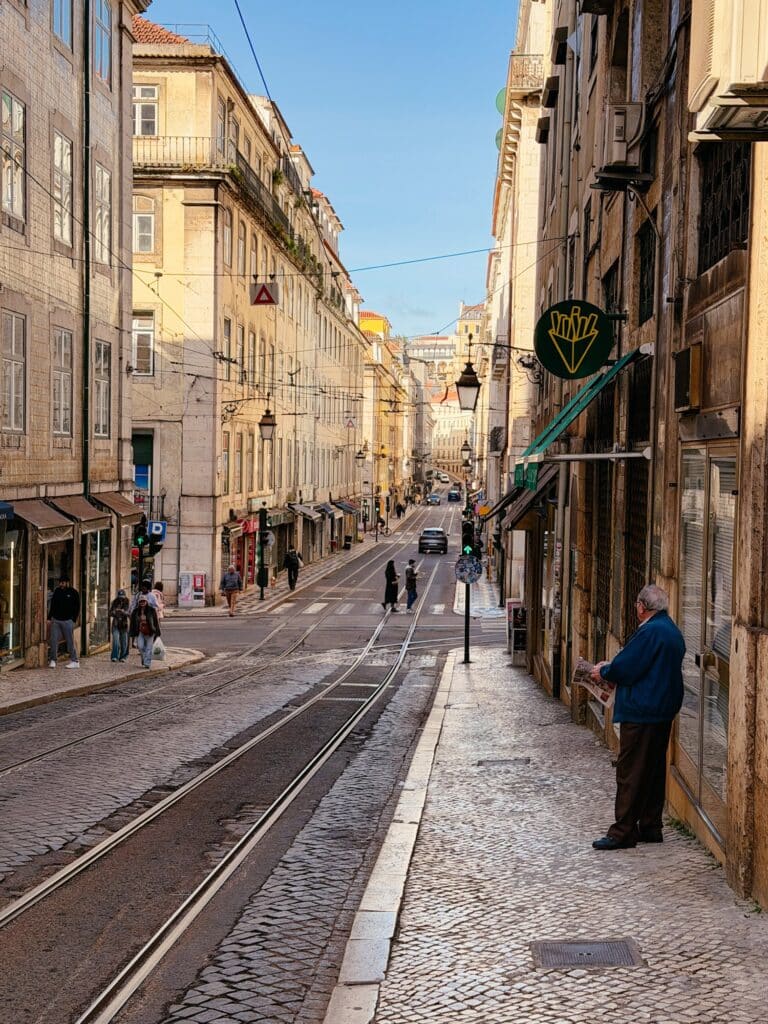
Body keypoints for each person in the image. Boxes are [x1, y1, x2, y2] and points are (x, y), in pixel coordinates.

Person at [590, 584, 685, 851]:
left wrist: (604, 671)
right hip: (662, 710)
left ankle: (623, 832)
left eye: (636, 605)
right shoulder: (671, 630)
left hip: (643, 710)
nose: (636, 609)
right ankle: (651, 825)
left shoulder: (651, 632)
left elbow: (627, 667)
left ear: (642, 607)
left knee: (630, 771)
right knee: (653, 770)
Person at [47, 573, 80, 669]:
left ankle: (75, 661)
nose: (61, 584)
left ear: (67, 583)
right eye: (60, 582)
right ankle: (53, 660)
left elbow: (77, 606)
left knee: (69, 641)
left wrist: (73, 619)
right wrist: (49, 618)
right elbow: (52, 606)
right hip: (56, 620)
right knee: (53, 640)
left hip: (67, 621)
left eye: (63, 583)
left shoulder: (73, 592)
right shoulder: (57, 591)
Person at [130, 594, 161, 669]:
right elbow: (132, 623)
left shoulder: (151, 610)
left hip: (150, 631)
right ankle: (144, 658)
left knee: (149, 648)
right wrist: (132, 632)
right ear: (139, 602)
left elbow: (156, 621)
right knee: (140, 646)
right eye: (141, 601)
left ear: (146, 602)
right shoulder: (136, 611)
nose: (142, 603)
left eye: (144, 601)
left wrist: (157, 631)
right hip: (140, 631)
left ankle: (147, 663)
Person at [109, 588, 130, 663]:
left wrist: (123, 612)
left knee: (124, 642)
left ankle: (123, 656)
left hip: (124, 625)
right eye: (120, 598)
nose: (121, 599)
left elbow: (130, 614)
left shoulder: (128, 603)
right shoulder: (114, 602)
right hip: (116, 624)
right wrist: (114, 612)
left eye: (122, 598)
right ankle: (114, 656)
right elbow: (110, 613)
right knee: (116, 641)